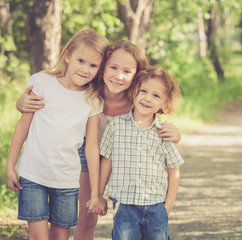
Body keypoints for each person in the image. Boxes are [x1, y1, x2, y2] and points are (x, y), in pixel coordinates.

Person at [16, 40, 182, 239]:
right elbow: (57, 94)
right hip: (87, 150)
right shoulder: (89, 91)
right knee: (86, 213)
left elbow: (153, 121)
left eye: (127, 71)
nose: (118, 76)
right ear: (103, 68)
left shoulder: (137, 99)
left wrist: (176, 134)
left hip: (122, 157)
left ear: (137, 75)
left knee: (89, 219)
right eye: (113, 67)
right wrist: (21, 103)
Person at [6, 28, 108, 240]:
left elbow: (91, 147)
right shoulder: (42, 83)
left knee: (60, 237)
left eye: (93, 65)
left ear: (99, 69)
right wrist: (10, 167)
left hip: (67, 180)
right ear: (68, 55)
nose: (85, 69)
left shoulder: (93, 100)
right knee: (39, 237)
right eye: (81, 60)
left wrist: (96, 193)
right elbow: (22, 126)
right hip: (33, 175)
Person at [99, 66, 184, 240]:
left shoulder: (163, 132)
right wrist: (98, 195)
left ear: (164, 103)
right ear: (134, 92)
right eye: (143, 91)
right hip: (125, 204)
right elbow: (106, 161)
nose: (147, 98)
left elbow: (174, 169)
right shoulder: (116, 126)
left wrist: (167, 206)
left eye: (156, 95)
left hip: (155, 205)